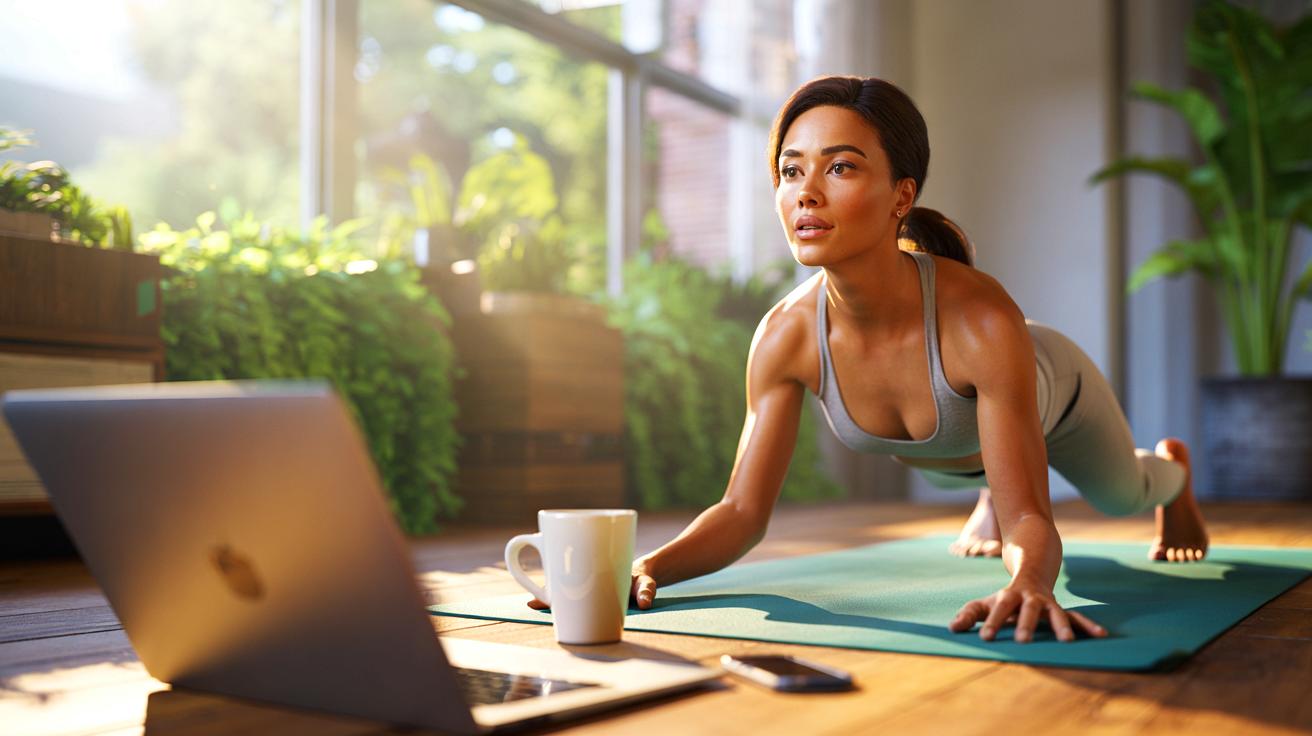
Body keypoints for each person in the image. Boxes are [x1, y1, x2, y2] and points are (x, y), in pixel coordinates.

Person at [536, 75, 1211, 644]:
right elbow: (742, 512)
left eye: (841, 166)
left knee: (1122, 492)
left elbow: (1034, 515)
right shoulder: (786, 337)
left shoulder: (981, 321)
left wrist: (1030, 581)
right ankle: (989, 486)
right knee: (1000, 483)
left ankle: (1172, 475)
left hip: (1050, 391)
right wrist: (645, 566)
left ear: (901, 196)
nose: (807, 191)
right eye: (792, 169)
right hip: (965, 443)